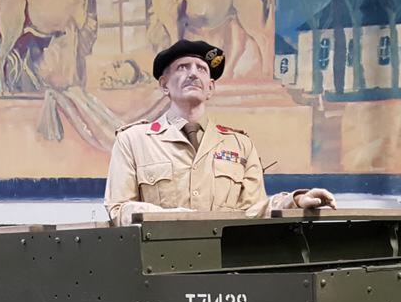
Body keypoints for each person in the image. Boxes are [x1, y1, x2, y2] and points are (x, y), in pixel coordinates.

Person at [104, 39, 337, 226]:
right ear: (164, 85)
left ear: (210, 88)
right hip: (159, 260)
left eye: (202, 69)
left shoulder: (239, 145)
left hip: (223, 260)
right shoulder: (133, 141)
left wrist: (296, 200)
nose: (193, 74)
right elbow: (119, 209)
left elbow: (253, 212)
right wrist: (178, 218)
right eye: (182, 67)